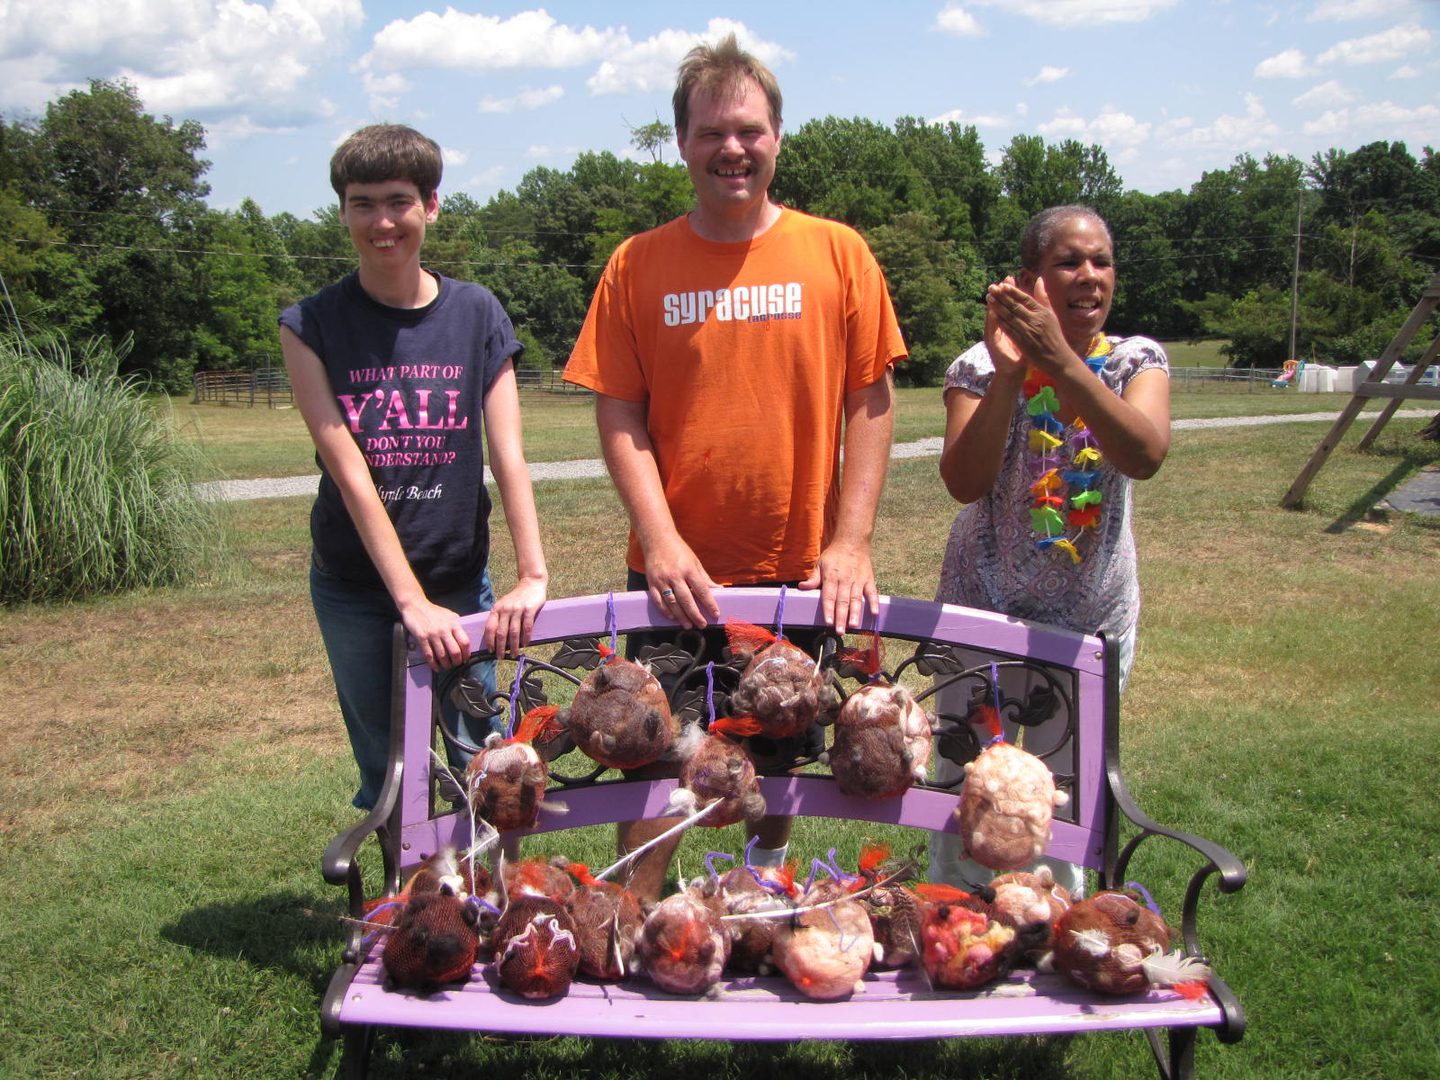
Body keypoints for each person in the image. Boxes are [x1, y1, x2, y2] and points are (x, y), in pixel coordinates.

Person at [563, 34, 906, 899]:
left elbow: (871, 398)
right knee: (653, 757)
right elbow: (618, 411)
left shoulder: (838, 254)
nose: (732, 149)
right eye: (712, 132)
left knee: (779, 757)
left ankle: (763, 891)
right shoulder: (637, 264)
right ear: (681, 143)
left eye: (749, 129)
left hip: (799, 574)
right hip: (674, 578)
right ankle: (633, 907)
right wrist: (661, 536)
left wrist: (852, 540)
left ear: (778, 137)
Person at [280, 124, 548, 813]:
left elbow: (508, 455)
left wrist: (532, 574)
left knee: (484, 761)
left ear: (431, 206)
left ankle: (492, 905)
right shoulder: (310, 324)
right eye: (362, 203)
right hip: (355, 588)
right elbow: (350, 472)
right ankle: (409, 904)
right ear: (342, 211)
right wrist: (408, 602)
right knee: (391, 773)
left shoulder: (476, 313)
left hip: (458, 579)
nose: (381, 221)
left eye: (398, 201)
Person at [928, 204, 1171, 895]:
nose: (1089, 275)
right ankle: (955, 920)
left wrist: (1061, 362)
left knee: (1062, 799)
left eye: (1102, 261)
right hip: (983, 611)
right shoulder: (978, 366)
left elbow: (1144, 453)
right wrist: (1011, 374)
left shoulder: (1134, 362)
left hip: (1088, 624)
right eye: (1069, 262)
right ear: (1029, 280)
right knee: (969, 787)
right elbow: (963, 481)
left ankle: (1055, 928)